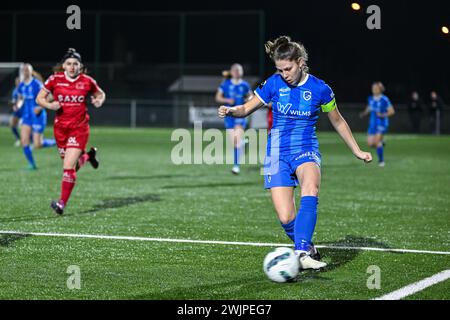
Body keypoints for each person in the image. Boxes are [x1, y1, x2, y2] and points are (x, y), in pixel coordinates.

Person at [218, 36, 372, 270]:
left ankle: (301, 253)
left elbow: (338, 122)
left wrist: (357, 150)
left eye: (287, 68)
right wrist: (231, 111)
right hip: (276, 152)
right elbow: (246, 109)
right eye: (279, 70)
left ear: (300, 63)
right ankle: (308, 246)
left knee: (310, 187)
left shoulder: (321, 89)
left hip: (305, 149)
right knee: (286, 218)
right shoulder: (273, 84)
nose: (284, 74)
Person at [36, 48, 106, 215]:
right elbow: (39, 98)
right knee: (72, 166)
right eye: (69, 63)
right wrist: (50, 105)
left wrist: (98, 101)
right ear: (64, 66)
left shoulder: (87, 81)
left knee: (67, 167)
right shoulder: (54, 80)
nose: (72, 66)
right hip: (60, 129)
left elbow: (101, 94)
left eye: (76, 64)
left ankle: (61, 204)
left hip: (79, 129)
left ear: (80, 66)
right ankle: (88, 156)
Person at [15, 63, 56, 170]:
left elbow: (50, 96)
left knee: (38, 144)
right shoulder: (21, 85)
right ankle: (32, 165)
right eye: (24, 70)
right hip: (27, 116)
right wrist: (17, 106)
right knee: (24, 140)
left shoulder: (37, 84)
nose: (25, 72)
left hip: (38, 116)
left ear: (31, 71)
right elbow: (20, 98)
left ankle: (57, 142)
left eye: (27, 70)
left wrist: (40, 107)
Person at [215, 63, 253, 174]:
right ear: (231, 72)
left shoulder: (245, 85)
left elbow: (250, 97)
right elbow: (218, 97)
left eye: (239, 70)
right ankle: (243, 143)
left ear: (242, 72)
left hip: (240, 115)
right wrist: (227, 101)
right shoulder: (225, 84)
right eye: (235, 70)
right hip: (229, 116)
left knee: (236, 142)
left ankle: (236, 166)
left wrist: (249, 100)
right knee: (235, 142)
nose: (237, 72)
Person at [359, 82, 395, 167]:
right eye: (373, 88)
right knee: (370, 144)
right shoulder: (370, 98)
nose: (373, 89)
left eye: (375, 88)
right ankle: (381, 143)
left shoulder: (384, 99)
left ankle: (381, 161)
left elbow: (392, 111)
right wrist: (364, 113)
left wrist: (383, 115)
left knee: (377, 141)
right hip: (372, 124)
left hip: (381, 123)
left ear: (380, 89)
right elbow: (369, 107)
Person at [9, 77, 21, 147]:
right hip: (17, 110)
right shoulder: (15, 91)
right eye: (16, 82)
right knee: (12, 124)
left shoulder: (23, 89)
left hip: (24, 110)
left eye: (19, 81)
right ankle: (18, 139)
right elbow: (14, 101)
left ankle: (31, 140)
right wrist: (13, 104)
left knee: (24, 126)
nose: (17, 83)